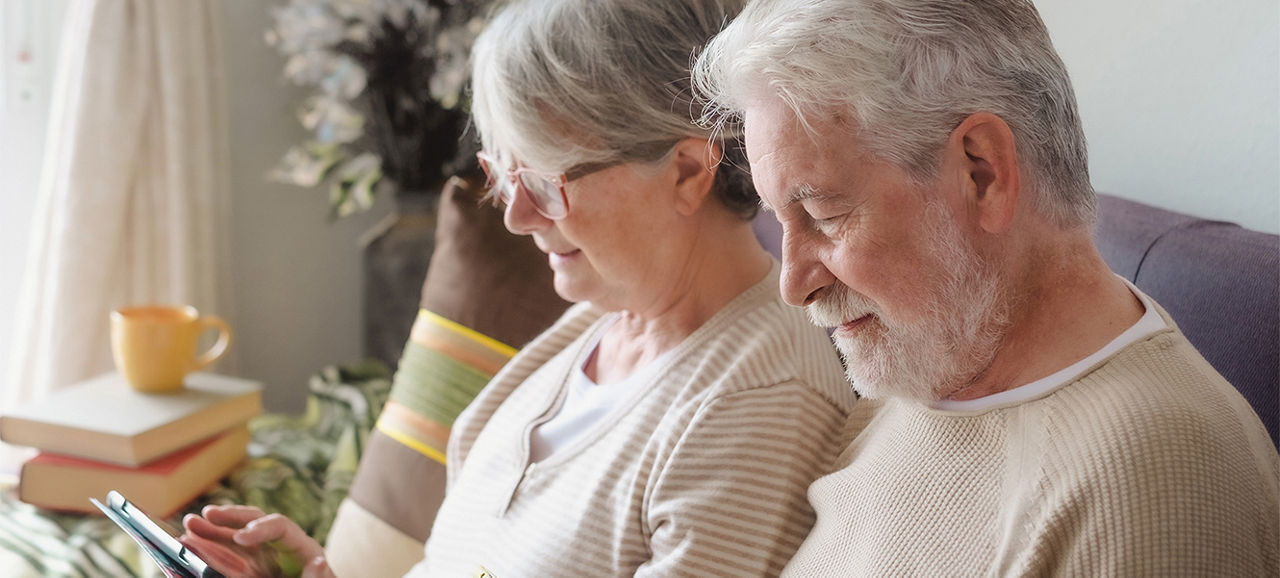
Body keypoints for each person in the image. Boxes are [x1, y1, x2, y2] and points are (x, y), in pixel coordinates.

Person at [180, 0, 857, 576]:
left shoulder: (758, 402)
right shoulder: (591, 329)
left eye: (544, 183)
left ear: (685, 169)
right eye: (504, 176)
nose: (515, 215)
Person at [692, 0, 1280, 575]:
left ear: (982, 172)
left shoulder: (1160, 482)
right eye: (780, 218)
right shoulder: (932, 355)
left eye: (822, 215)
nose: (792, 286)